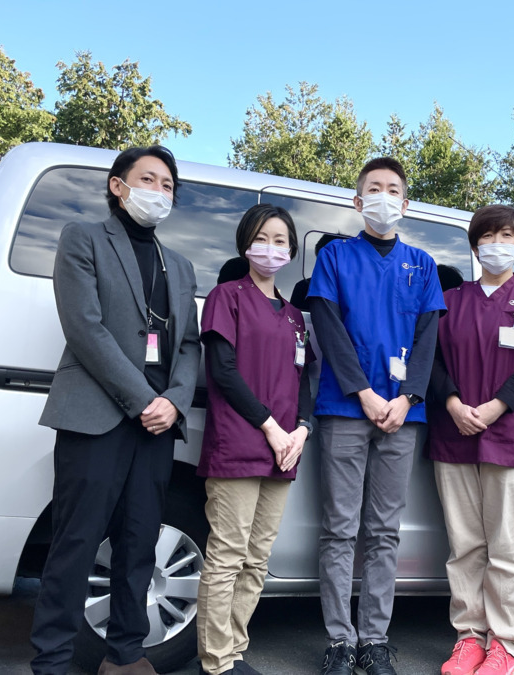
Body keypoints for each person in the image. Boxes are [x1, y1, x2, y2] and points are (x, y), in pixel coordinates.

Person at [31, 146, 201, 675]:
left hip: (157, 427)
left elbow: (190, 346)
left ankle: (126, 654)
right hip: (98, 416)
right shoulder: (83, 238)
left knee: (139, 543)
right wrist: (143, 399)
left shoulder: (180, 264)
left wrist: (173, 402)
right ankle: (52, 662)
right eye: (147, 179)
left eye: (168, 184)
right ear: (117, 186)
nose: (159, 191)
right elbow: (85, 327)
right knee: (76, 544)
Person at [307, 157, 446, 675]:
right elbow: (327, 327)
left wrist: (408, 398)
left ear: (405, 204)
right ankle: (339, 641)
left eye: (393, 190)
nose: (384, 197)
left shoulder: (423, 264)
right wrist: (364, 392)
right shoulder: (336, 258)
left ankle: (374, 640)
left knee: (385, 531)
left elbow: (429, 338)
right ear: (358, 200)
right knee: (340, 529)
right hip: (346, 408)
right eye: (374, 189)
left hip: (403, 414)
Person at [428, 205, 514, 675]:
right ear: (475, 246)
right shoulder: (449, 300)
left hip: (513, 437)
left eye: (506, 235)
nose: (496, 243)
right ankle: (469, 638)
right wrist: (452, 403)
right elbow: (431, 361)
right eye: (487, 235)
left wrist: (495, 406)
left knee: (508, 548)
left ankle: (504, 646)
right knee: (465, 546)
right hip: (456, 435)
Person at [196, 204, 315, 675]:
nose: (272, 247)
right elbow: (222, 372)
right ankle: (216, 660)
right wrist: (270, 426)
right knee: (226, 556)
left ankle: (236, 648)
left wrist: (302, 429)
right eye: (263, 238)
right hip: (241, 444)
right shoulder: (226, 297)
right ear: (246, 241)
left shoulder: (294, 317)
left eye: (282, 240)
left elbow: (304, 380)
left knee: (256, 560)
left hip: (284, 450)